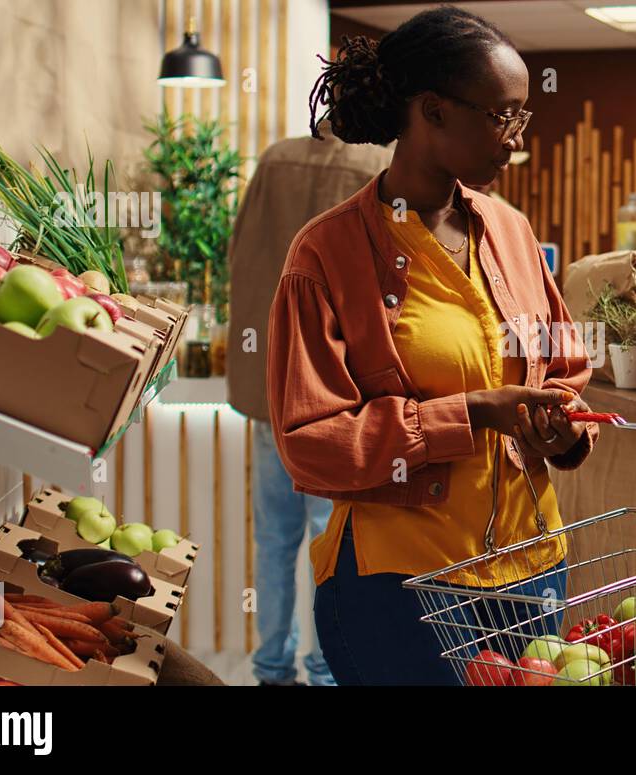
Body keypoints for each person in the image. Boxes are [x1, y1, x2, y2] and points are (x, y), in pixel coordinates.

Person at [267, 6, 599, 686]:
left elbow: (564, 365)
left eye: (522, 118)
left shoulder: (509, 229)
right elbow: (310, 438)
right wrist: (473, 412)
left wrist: (559, 425)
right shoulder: (326, 255)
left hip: (531, 570)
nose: (515, 140)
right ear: (433, 112)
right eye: (501, 117)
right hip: (405, 589)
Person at [226, 116, 392, 686]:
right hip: (339, 390)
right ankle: (326, 671)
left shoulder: (274, 160)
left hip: (268, 382)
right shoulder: (380, 168)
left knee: (274, 539)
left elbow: (239, 255)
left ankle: (272, 668)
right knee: (334, 543)